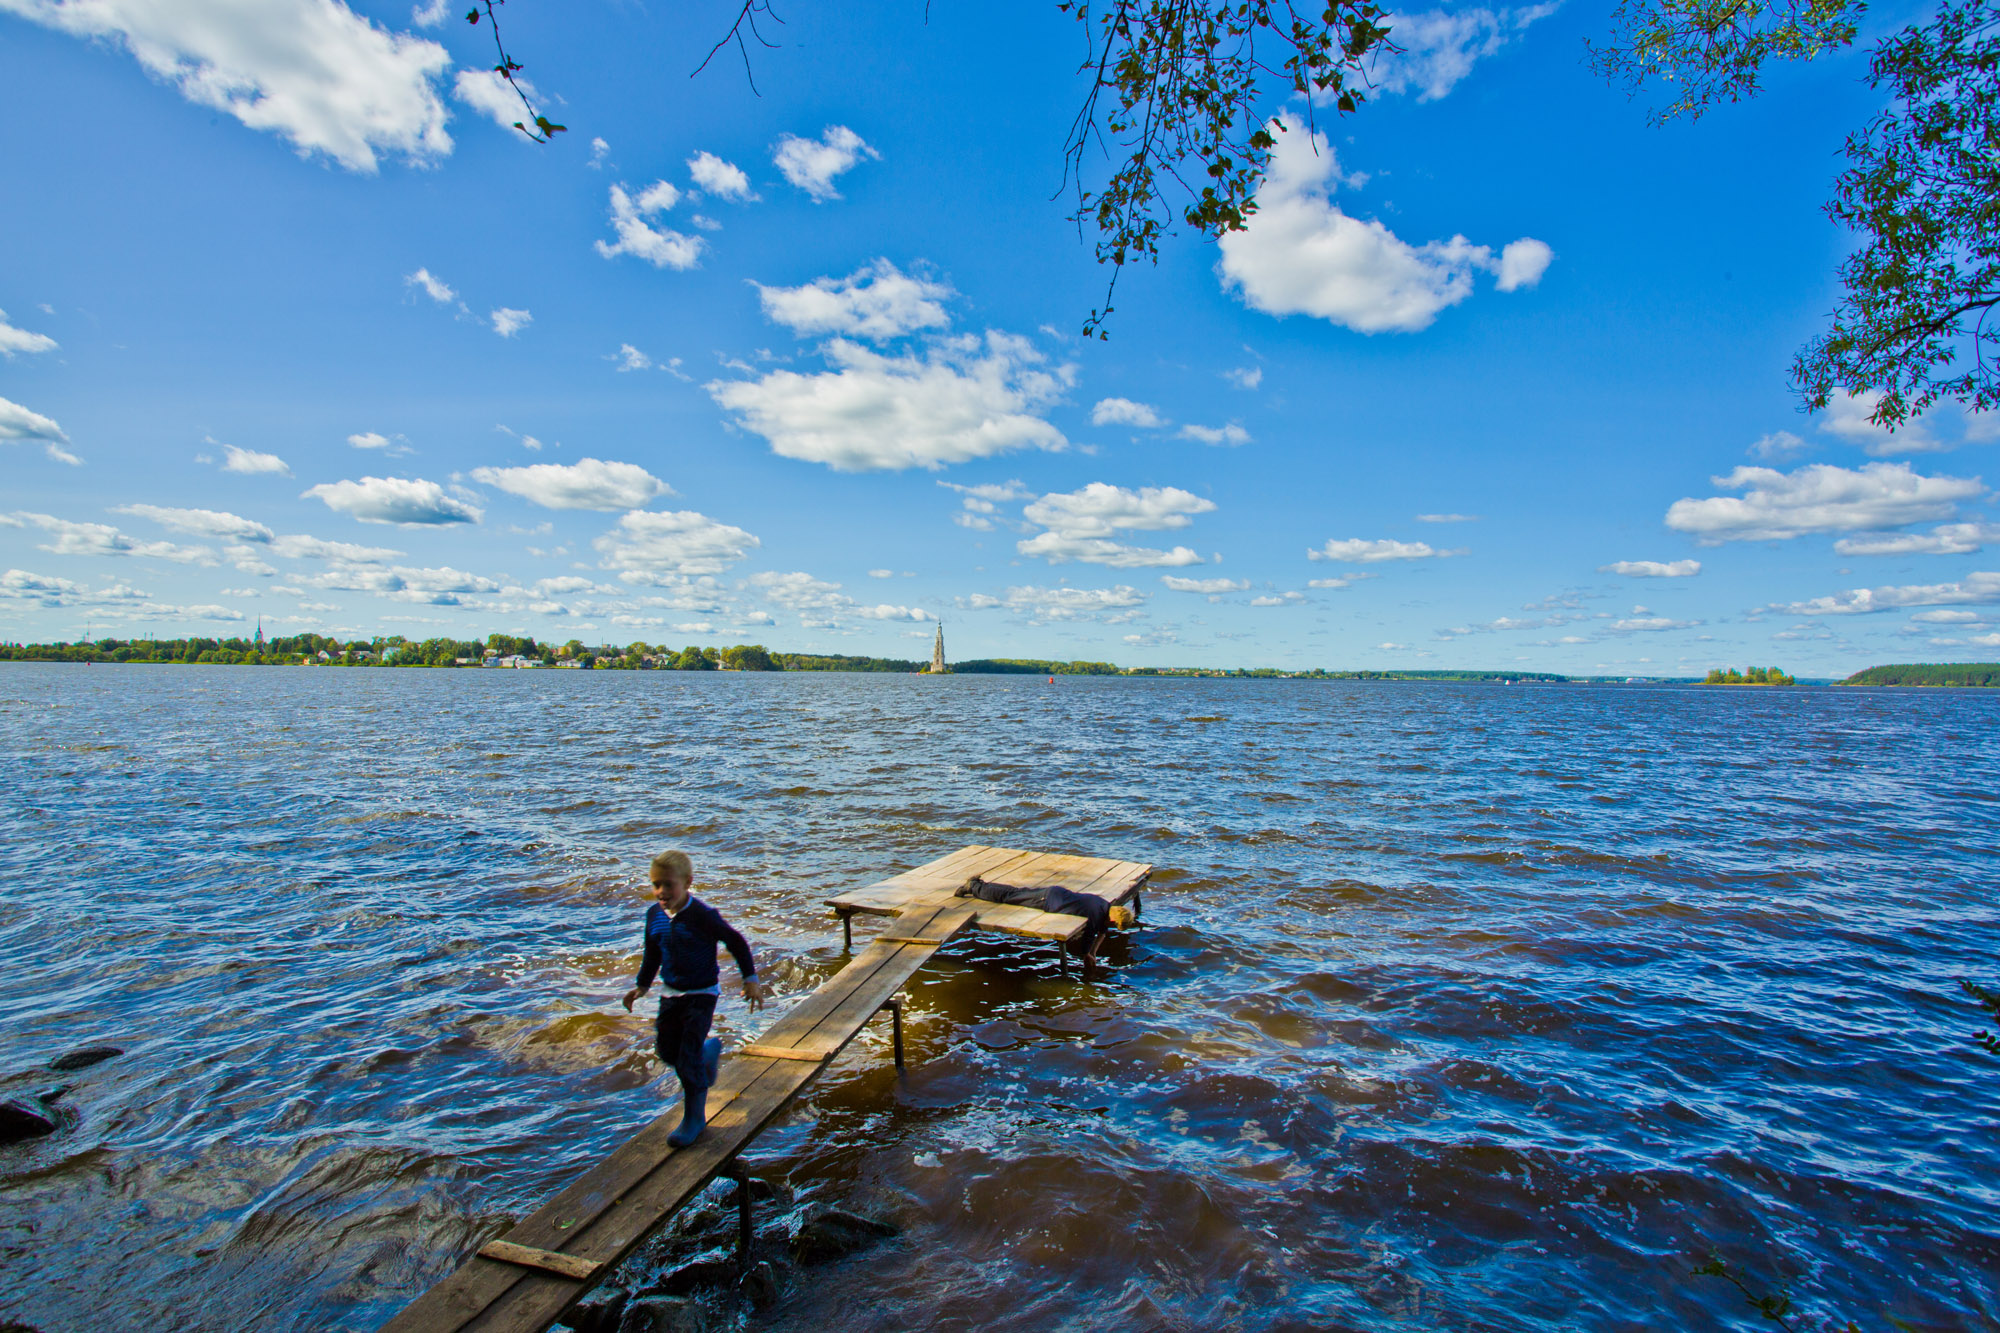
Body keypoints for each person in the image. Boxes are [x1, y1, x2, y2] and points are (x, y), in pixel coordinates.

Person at [622, 851, 765, 1148]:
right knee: (666, 1050)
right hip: (671, 993)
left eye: (669, 885)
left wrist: (750, 979)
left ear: (687, 883)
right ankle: (708, 1052)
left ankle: (694, 1119)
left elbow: (735, 941)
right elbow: (652, 952)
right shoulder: (654, 915)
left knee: (687, 1061)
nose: (662, 892)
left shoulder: (702, 916)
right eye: (655, 884)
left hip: (702, 994)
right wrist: (642, 986)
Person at [953, 875, 1136, 967]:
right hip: (1049, 900)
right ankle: (975, 886)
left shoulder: (1105, 906)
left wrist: (1094, 953)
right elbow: (1086, 942)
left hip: (1056, 893)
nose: (1113, 927)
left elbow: (1103, 931)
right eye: (1116, 925)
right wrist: (1088, 955)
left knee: (1015, 893)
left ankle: (980, 884)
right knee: (1009, 896)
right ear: (1113, 919)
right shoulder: (1097, 915)